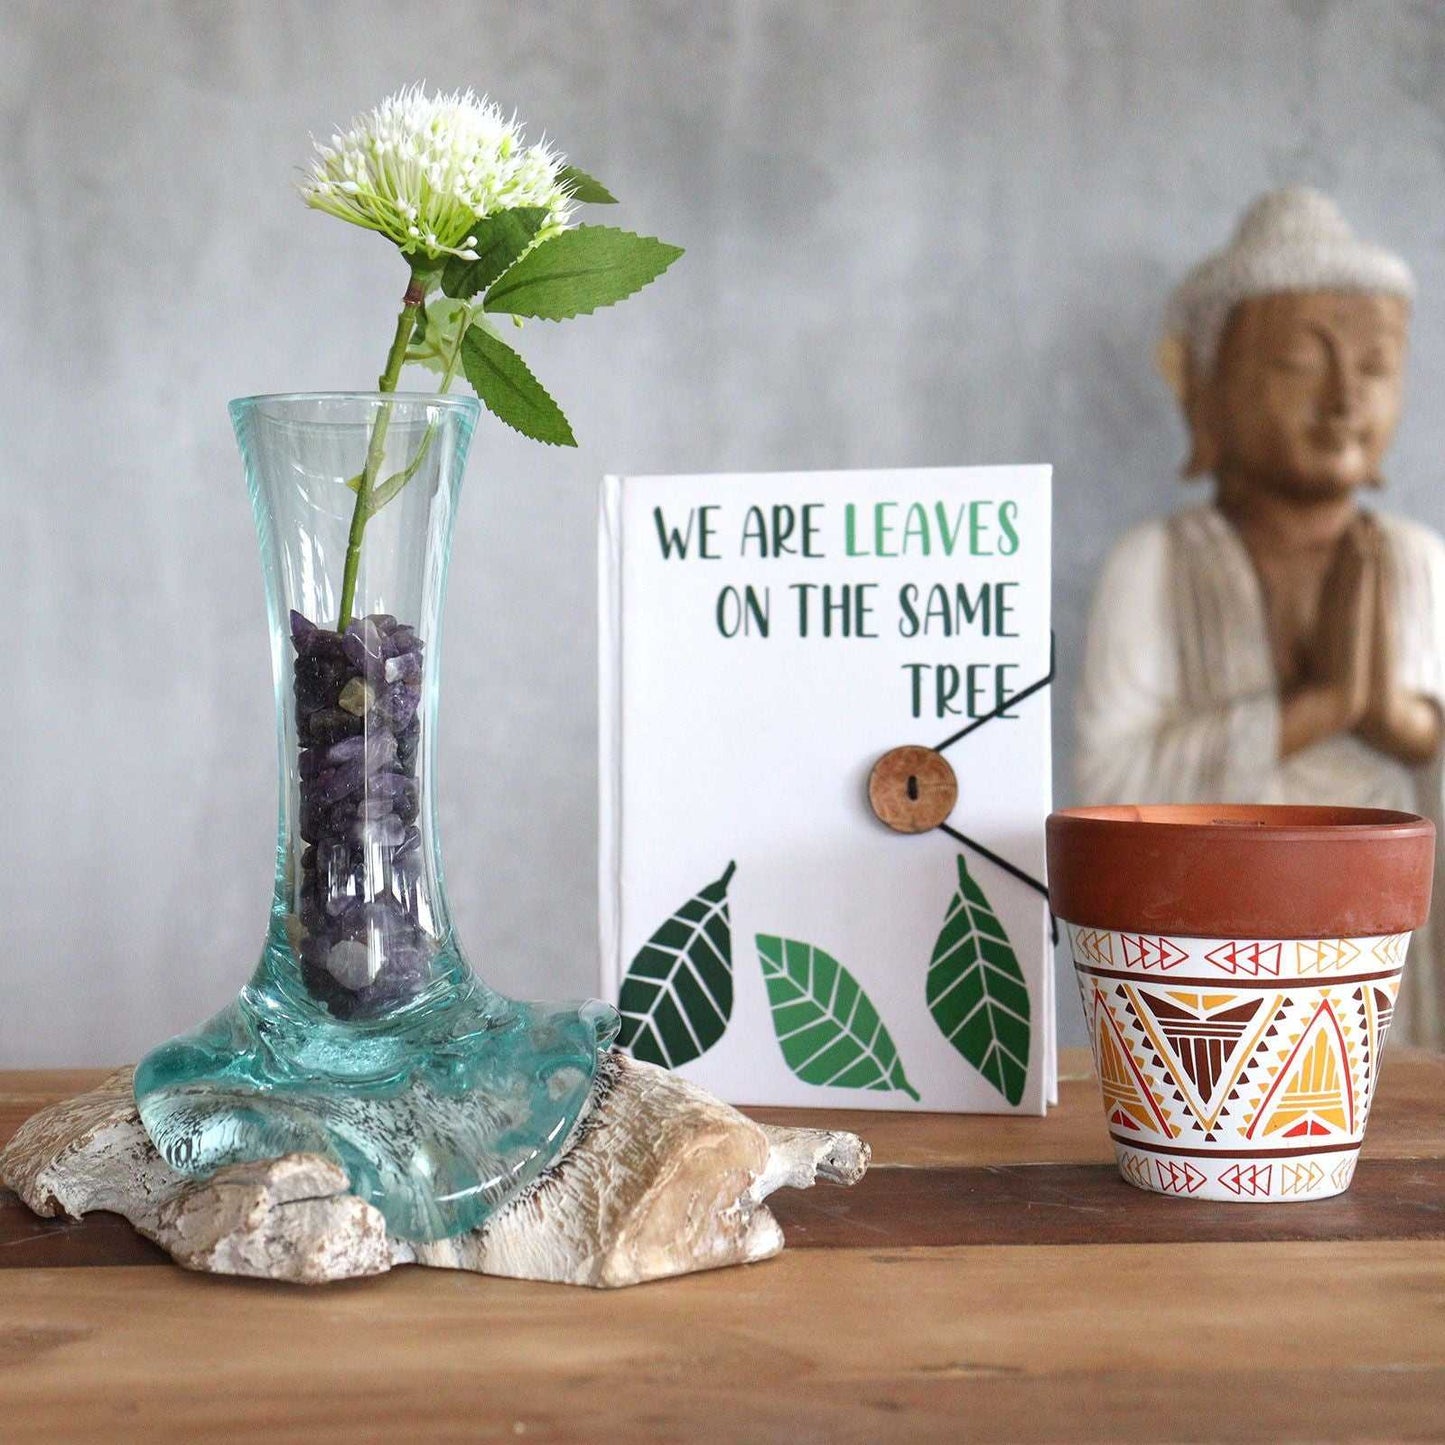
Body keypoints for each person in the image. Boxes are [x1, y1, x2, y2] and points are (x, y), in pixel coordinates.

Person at [1076, 187, 1445, 1045]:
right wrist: (1312, 709)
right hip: (1207, 966)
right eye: (1300, 363)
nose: (1344, 398)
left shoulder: (1420, 560)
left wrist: (1403, 724)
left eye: (1375, 364)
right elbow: (1106, 798)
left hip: (1393, 962)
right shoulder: (1154, 566)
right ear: (1208, 392)